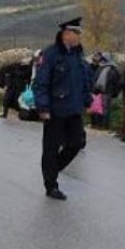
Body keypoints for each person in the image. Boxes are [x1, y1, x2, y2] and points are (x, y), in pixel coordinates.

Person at [33, 17, 93, 200]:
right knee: (51, 147)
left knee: (77, 143)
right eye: (76, 33)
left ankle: (53, 168)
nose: (79, 36)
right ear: (66, 34)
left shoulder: (78, 56)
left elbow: (84, 81)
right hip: (55, 109)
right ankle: (51, 185)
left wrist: (87, 100)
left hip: (74, 109)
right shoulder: (50, 55)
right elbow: (40, 83)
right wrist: (43, 107)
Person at [91, 52, 120, 129]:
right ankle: (98, 124)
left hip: (107, 91)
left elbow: (116, 82)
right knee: (98, 108)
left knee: (105, 109)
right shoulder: (101, 68)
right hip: (99, 91)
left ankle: (104, 125)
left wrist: (115, 92)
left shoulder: (112, 69)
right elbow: (96, 79)